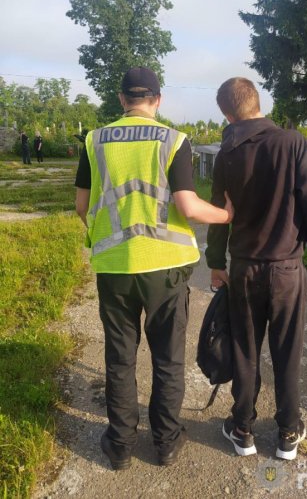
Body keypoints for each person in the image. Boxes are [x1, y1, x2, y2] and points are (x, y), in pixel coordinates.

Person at [75, 67, 233, 470]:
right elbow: (188, 207)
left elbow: (82, 205)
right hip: (166, 269)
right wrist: (226, 214)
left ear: (121, 99)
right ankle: (165, 443)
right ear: (157, 100)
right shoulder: (173, 140)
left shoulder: (94, 140)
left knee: (120, 358)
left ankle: (120, 445)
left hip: (114, 267)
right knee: (167, 359)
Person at [205, 77, 307, 461]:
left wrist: (216, 263)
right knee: (287, 352)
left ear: (227, 114)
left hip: (245, 269)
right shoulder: (293, 142)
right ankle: (288, 433)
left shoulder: (226, 153)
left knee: (245, 350)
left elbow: (219, 213)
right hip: (287, 270)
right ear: (258, 102)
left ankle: (242, 429)